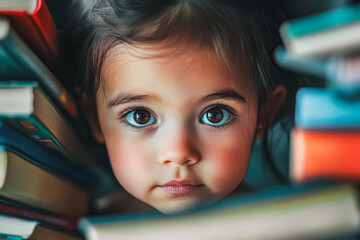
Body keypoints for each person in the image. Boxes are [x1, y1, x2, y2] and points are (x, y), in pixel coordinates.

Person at [70, 0, 297, 214]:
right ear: (94, 117)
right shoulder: (78, 225)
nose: (178, 153)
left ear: (264, 114)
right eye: (140, 116)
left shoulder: (284, 227)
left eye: (215, 115)